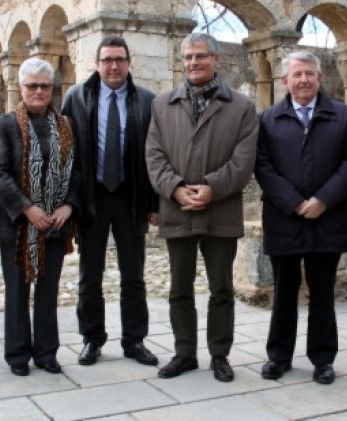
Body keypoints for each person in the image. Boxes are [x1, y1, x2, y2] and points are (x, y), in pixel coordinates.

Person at [146, 33, 258, 382]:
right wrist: (176, 189)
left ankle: (220, 355)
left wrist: (211, 188)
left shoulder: (241, 106)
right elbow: (154, 155)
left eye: (200, 57)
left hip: (220, 209)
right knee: (179, 288)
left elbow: (243, 161)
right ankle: (184, 353)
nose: (193, 63)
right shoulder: (163, 104)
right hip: (177, 209)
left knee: (221, 288)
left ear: (216, 59)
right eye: (188, 58)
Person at [254, 51, 347, 385]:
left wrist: (323, 200)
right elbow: (262, 165)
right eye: (297, 74)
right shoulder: (268, 119)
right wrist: (293, 202)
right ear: (284, 80)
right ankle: (279, 357)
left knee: (322, 291)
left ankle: (323, 359)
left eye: (309, 74)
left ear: (320, 78)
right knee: (284, 291)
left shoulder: (342, 116)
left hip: (326, 219)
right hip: (285, 218)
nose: (303, 80)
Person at [61, 36, 159, 366]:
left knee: (134, 275)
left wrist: (154, 202)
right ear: (96, 64)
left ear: (129, 63)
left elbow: (156, 154)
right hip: (93, 198)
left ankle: (134, 340)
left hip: (131, 199)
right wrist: (70, 202)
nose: (113, 66)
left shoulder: (147, 100)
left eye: (119, 59)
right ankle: (92, 338)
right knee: (90, 275)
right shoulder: (76, 98)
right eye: (107, 60)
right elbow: (65, 156)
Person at [0, 58, 80, 376]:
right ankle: (17, 355)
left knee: (48, 291)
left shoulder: (66, 125)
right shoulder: (5, 123)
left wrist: (68, 205)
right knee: (17, 291)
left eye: (44, 86)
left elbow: (77, 171)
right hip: (17, 226)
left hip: (55, 224)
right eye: (32, 86)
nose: (39, 91)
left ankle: (46, 353)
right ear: (22, 88)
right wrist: (28, 208)